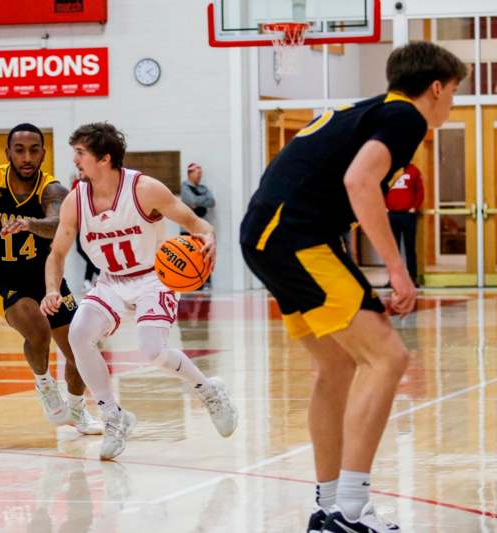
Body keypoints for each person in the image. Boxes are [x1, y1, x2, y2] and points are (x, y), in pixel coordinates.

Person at [239, 42, 466, 533]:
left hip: (270, 236)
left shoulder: (368, 111)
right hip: (296, 237)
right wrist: (398, 271)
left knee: (338, 366)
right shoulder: (405, 118)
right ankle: (351, 509)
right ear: (435, 87)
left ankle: (328, 508)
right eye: (452, 93)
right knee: (389, 358)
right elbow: (360, 183)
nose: (450, 103)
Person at [40, 122, 238, 461]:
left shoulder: (144, 189)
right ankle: (114, 416)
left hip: (154, 277)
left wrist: (208, 237)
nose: (75, 160)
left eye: (80, 153)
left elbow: (194, 222)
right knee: (79, 333)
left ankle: (209, 391)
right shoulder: (76, 201)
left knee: (152, 349)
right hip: (111, 281)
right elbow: (57, 253)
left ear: (104, 159)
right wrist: (51, 289)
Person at [0, 122, 102, 436]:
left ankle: (76, 408)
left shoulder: (53, 189)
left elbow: (58, 223)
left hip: (45, 277)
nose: (27, 157)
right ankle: (44, 383)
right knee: (38, 331)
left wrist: (29, 224)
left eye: (34, 150)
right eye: (19, 150)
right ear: (8, 153)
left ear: (44, 153)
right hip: (1, 277)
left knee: (80, 348)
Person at [386, 162, 424, 286]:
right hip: (392, 214)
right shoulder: (389, 170)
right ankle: (393, 279)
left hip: (408, 215)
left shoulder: (413, 170)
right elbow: (381, 189)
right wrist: (385, 207)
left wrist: (414, 207)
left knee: (410, 248)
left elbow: (420, 191)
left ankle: (412, 277)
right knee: (393, 249)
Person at [180, 163, 216, 288]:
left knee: (205, 255)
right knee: (190, 258)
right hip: (188, 230)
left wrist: (198, 201)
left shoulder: (203, 188)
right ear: (190, 173)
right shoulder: (184, 187)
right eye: (197, 173)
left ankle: (205, 281)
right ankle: (192, 283)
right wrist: (202, 200)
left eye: (201, 173)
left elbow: (211, 202)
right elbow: (192, 201)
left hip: (202, 228)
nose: (200, 176)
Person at [72, 177, 101, 291]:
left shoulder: (96, 184)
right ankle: (97, 273)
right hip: (79, 224)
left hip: (91, 224)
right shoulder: (77, 183)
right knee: (81, 250)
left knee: (90, 251)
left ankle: (87, 280)